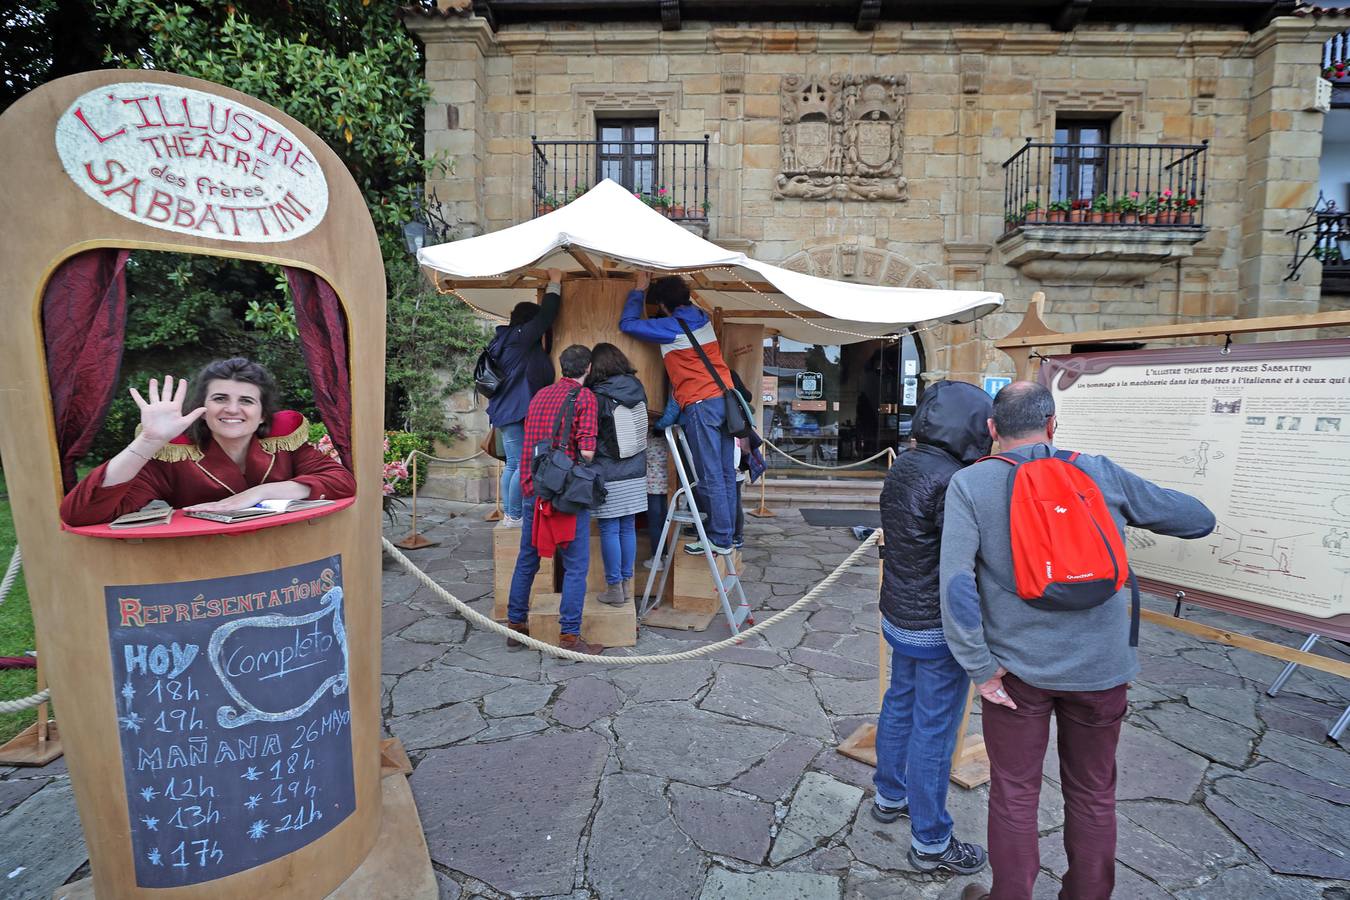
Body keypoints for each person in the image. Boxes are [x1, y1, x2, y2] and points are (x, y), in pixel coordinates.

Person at [942, 382, 1215, 900]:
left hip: (1016, 675)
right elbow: (1197, 520)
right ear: (1052, 426)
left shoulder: (971, 485)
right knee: (1093, 793)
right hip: (1103, 670)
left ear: (992, 429)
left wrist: (980, 668)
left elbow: (955, 584)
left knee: (1015, 794)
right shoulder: (1098, 470)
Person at [871, 380, 993, 877]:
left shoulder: (906, 464)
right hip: (936, 626)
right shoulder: (953, 480)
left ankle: (889, 794)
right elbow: (966, 557)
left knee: (900, 702)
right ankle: (930, 840)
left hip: (899, 614)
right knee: (935, 730)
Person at [60, 358, 355, 526]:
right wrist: (148, 441)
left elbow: (341, 481)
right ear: (202, 408)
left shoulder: (284, 443)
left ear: (263, 414)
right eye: (220, 398)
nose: (232, 409)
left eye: (247, 401)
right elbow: (81, 514)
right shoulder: (172, 455)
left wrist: (260, 492)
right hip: (206, 575)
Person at [620, 272, 738, 556]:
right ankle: (728, 535)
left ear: (662, 305)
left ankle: (719, 538)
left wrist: (638, 291)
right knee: (724, 473)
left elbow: (627, 325)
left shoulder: (670, 327)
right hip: (724, 400)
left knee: (709, 472)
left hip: (701, 403)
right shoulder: (702, 316)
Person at [506, 344, 604, 655]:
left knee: (527, 559)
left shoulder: (540, 396)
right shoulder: (585, 398)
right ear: (588, 367)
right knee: (575, 566)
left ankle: (515, 627)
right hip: (565, 496)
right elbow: (586, 452)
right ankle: (569, 637)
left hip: (533, 489)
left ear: (562, 367)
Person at [486, 268, 563, 527]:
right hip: (518, 411)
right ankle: (515, 515)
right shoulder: (520, 338)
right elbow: (547, 315)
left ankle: (511, 513)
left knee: (513, 464)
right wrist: (554, 284)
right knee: (522, 464)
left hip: (506, 410)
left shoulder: (505, 340)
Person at [585, 343, 649, 606]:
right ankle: (624, 582)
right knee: (627, 528)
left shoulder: (595, 395)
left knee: (609, 528)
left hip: (607, 469)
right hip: (635, 468)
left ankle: (614, 588)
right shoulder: (637, 387)